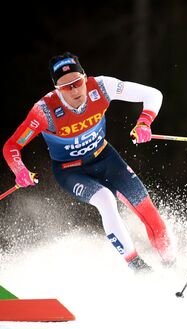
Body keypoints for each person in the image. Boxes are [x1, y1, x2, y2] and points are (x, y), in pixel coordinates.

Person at [3, 52, 175, 272]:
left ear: (85, 77)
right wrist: (20, 171)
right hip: (71, 171)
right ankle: (138, 268)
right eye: (66, 87)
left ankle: (172, 268)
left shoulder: (102, 87)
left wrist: (144, 122)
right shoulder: (44, 111)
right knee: (105, 199)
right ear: (57, 89)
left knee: (149, 212)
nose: (74, 91)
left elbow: (153, 95)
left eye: (77, 82)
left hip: (105, 157)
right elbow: (12, 146)